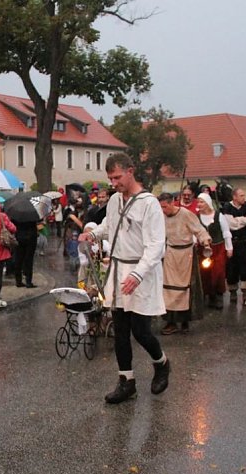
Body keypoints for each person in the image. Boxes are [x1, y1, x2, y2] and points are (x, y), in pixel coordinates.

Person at [80, 152, 170, 403]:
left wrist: (138, 274)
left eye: (117, 177)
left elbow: (156, 246)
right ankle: (126, 381)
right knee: (120, 330)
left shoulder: (149, 203)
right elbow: (110, 225)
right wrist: (93, 235)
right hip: (118, 271)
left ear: (130, 171)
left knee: (141, 332)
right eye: (110, 178)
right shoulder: (114, 201)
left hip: (141, 273)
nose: (114, 183)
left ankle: (161, 363)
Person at [158, 193, 210, 335]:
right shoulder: (161, 216)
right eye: (161, 207)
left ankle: (185, 321)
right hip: (170, 253)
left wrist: (205, 241)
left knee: (186, 289)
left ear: (172, 203)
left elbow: (199, 230)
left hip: (186, 254)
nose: (163, 210)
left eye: (165, 206)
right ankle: (171, 322)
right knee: (168, 289)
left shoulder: (186, 214)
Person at [196, 192, 233, 309]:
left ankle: (217, 295)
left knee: (218, 272)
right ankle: (206, 295)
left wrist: (229, 247)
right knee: (203, 273)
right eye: (198, 201)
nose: (199, 204)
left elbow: (226, 232)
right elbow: (193, 233)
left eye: (201, 201)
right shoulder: (196, 217)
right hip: (202, 249)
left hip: (217, 248)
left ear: (207, 203)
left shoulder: (218, 216)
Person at [221, 188, 246, 305]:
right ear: (234, 197)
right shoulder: (227, 207)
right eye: (241, 195)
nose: (244, 198)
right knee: (232, 269)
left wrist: (238, 220)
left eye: (244, 195)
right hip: (233, 243)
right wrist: (244, 221)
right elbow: (230, 224)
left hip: (245, 242)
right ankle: (232, 292)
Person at [12, 217, 39, 288]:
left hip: (19, 237)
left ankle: (18, 281)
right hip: (31, 238)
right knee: (29, 260)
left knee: (18, 259)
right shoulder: (32, 214)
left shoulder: (17, 214)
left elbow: (13, 224)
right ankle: (28, 281)